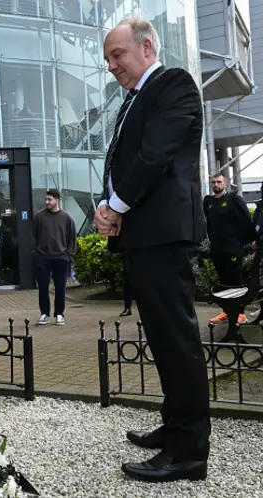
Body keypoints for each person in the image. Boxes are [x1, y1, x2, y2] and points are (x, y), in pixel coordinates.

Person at [94, 19, 210, 482]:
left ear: (146, 46)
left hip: (162, 233)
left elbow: (154, 156)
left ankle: (188, 452)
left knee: (177, 342)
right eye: (107, 58)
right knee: (163, 341)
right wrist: (108, 207)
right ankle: (176, 424)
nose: (111, 66)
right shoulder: (136, 97)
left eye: (117, 55)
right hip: (145, 235)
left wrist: (114, 205)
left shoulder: (174, 84)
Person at [203, 172, 256, 325]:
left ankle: (240, 314)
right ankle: (227, 312)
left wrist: (251, 239)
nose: (216, 185)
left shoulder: (234, 200)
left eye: (219, 182)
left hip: (232, 247)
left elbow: (246, 220)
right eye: (213, 182)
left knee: (235, 280)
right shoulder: (209, 202)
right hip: (216, 248)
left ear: (225, 183)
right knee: (223, 282)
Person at [32, 188, 76, 326]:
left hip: (61, 258)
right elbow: (33, 236)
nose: (47, 202)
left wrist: (68, 254)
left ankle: (59, 314)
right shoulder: (38, 217)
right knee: (43, 288)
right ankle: (44, 314)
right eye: (46, 199)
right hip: (42, 258)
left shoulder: (67, 218)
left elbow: (72, 239)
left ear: (57, 200)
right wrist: (35, 253)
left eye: (50, 199)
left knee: (60, 287)